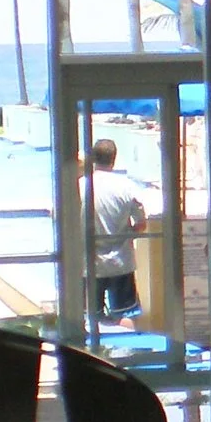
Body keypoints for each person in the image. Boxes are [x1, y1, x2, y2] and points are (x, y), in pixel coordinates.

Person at [83, 138, 147, 328]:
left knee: (89, 315)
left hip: (88, 262)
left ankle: (93, 353)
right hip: (121, 261)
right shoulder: (126, 186)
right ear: (114, 159)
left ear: (93, 158)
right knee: (126, 315)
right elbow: (141, 223)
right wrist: (126, 236)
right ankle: (128, 353)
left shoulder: (80, 185)